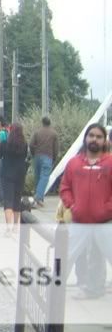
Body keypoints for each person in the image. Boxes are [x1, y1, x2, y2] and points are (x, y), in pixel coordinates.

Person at [59, 123, 112, 300]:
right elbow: (65, 187)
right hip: (79, 221)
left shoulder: (110, 163)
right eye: (91, 135)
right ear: (85, 138)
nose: (94, 139)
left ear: (104, 140)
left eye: (98, 136)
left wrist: (106, 209)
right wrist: (72, 205)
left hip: (104, 223)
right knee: (67, 256)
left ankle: (95, 289)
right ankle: (54, 292)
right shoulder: (74, 163)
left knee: (100, 257)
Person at [0, 123, 29, 237]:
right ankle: (16, 226)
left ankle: (8, 228)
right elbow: (25, 156)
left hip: (7, 174)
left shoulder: (5, 144)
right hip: (20, 174)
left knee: (8, 200)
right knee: (17, 199)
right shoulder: (24, 145)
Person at [30, 116, 59, 207]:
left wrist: (33, 154)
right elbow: (56, 148)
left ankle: (39, 199)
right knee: (44, 177)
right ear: (49, 123)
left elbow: (31, 144)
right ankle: (38, 197)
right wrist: (54, 158)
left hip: (37, 156)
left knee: (37, 177)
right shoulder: (54, 134)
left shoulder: (37, 132)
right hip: (48, 157)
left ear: (42, 123)